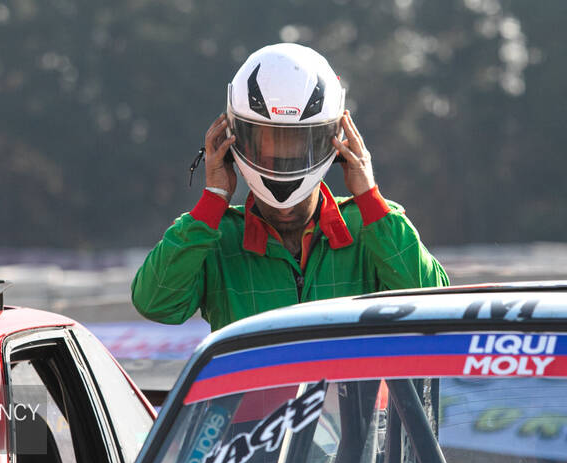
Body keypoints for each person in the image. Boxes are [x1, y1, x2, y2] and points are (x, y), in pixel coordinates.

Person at [131, 43, 448, 332]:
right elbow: (155, 303)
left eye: (297, 146)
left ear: (337, 142)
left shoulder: (370, 228)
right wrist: (212, 201)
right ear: (231, 142)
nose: (283, 163)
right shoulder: (218, 238)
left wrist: (369, 199)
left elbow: (434, 302)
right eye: (269, 148)